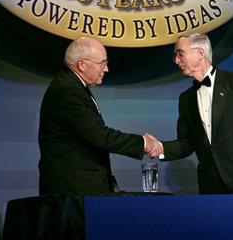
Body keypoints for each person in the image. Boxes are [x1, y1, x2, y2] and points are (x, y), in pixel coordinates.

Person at [146, 33, 233, 194]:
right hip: (210, 184)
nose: (177, 61)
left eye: (180, 53)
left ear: (200, 53)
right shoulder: (186, 99)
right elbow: (186, 144)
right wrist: (160, 147)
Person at [38, 37, 158, 195]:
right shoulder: (69, 91)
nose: (106, 69)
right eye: (102, 63)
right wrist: (143, 143)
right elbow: (100, 136)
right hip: (73, 192)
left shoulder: (72, 85)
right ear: (81, 64)